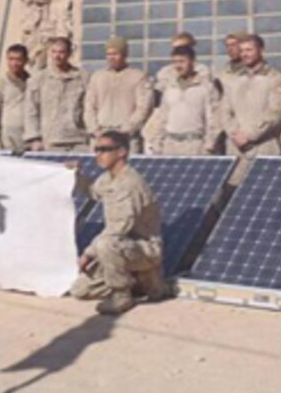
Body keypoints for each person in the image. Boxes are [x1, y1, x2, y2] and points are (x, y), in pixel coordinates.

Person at [67, 130, 167, 315]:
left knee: (106, 244)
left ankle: (122, 295)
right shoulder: (108, 178)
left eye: (104, 149)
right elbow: (93, 191)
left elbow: (118, 229)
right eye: (96, 150)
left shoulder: (129, 184)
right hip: (122, 248)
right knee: (80, 290)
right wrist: (76, 176)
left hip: (143, 249)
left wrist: (88, 254)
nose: (98, 154)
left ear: (121, 152)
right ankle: (139, 282)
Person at [222, 34, 281, 183]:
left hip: (264, 147)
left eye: (249, 50)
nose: (245, 54)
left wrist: (249, 136)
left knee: (262, 190)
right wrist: (234, 134)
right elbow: (225, 111)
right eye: (242, 50)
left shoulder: (275, 78)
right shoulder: (234, 80)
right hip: (236, 149)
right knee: (234, 190)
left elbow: (275, 114)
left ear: (261, 50)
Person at [84, 37, 153, 153]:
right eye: (109, 54)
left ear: (124, 55)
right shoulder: (97, 77)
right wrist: (94, 129)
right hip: (101, 135)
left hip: (127, 138)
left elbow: (144, 108)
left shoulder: (138, 77)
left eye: (115, 54)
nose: (111, 58)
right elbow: (89, 106)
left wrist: (126, 130)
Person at [153, 45, 219, 156]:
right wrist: (158, 142)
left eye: (182, 61)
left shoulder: (206, 87)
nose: (178, 66)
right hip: (170, 145)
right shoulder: (169, 87)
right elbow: (162, 117)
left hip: (195, 145)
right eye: (175, 62)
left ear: (193, 62)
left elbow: (214, 118)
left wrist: (210, 144)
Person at [26, 37, 89, 153]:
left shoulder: (83, 77)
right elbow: (31, 111)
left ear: (69, 53)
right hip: (50, 140)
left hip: (79, 139)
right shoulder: (38, 79)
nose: (57, 56)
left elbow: (89, 108)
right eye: (53, 52)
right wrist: (34, 138)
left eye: (61, 52)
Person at [0, 44, 31, 153]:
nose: (14, 63)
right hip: (8, 138)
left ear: (26, 60)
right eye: (11, 59)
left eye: (18, 59)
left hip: (29, 137)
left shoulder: (32, 82)